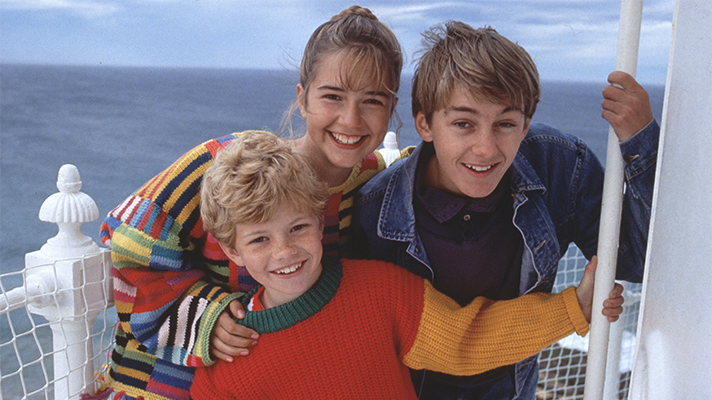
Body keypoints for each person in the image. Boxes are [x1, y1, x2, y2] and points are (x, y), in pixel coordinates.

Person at [98, 6, 405, 400]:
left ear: (392, 108)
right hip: (166, 388)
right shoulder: (231, 166)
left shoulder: (371, 181)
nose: (350, 120)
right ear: (302, 98)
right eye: (332, 96)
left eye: (372, 101)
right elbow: (131, 238)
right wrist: (205, 316)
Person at [190, 131, 624, 400]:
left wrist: (574, 308)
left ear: (320, 222)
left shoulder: (381, 289)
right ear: (233, 251)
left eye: (297, 227)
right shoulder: (227, 358)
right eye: (260, 240)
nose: (285, 251)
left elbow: (467, 339)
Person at [352, 22, 659, 400]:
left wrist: (640, 140)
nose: (486, 148)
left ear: (525, 125)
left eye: (505, 124)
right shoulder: (373, 213)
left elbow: (637, 262)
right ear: (424, 124)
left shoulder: (559, 167)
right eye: (463, 123)